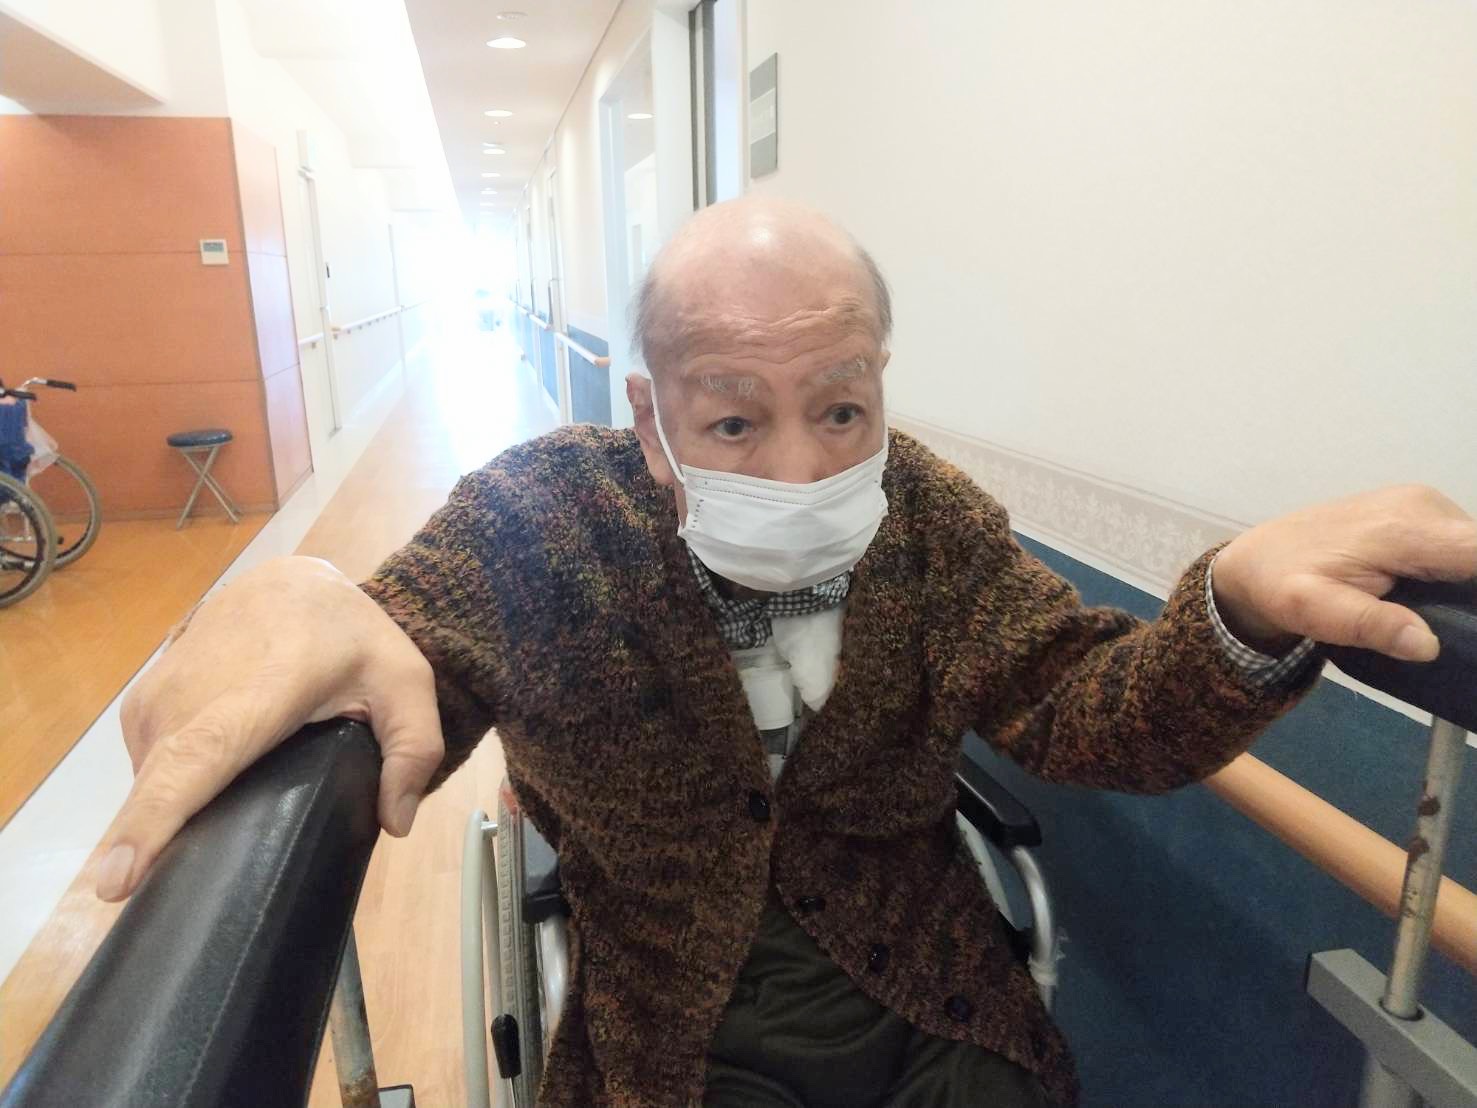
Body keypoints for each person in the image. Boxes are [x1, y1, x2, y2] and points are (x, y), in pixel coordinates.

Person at [99, 198, 1474, 1107]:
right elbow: (407, 639)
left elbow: (1081, 709)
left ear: (879, 383)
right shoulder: (546, 520)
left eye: (840, 408)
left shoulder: (926, 518)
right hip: (669, 1028)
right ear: (649, 415)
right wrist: (297, 594)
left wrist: (1237, 606)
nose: (804, 466)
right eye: (733, 421)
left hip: (934, 1000)